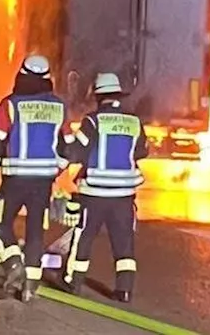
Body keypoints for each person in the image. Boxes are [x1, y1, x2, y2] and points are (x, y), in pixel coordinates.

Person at [59, 72, 150, 303]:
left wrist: (66, 144)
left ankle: (74, 281)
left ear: (99, 97)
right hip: (124, 196)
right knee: (124, 241)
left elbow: (76, 152)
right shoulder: (134, 122)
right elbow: (141, 151)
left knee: (84, 237)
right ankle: (125, 289)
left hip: (95, 193)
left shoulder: (92, 121)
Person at [0, 54, 69, 302]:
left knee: (3, 223)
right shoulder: (59, 106)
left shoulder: (10, 104)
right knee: (35, 231)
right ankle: (31, 284)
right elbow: (70, 148)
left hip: (14, 179)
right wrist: (56, 170)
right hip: (43, 181)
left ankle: (13, 264)